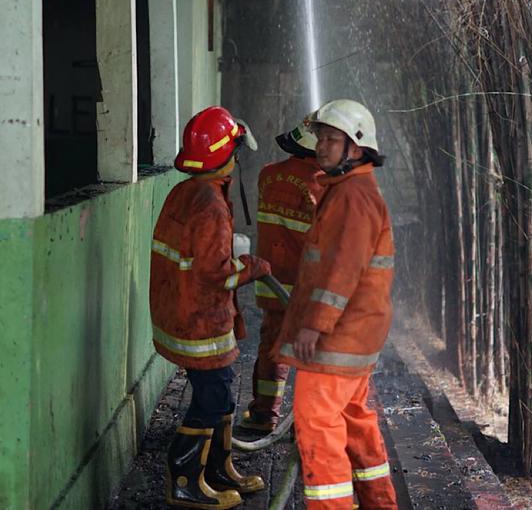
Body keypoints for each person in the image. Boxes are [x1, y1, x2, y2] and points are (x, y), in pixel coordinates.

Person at [277, 99, 398, 508]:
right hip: (356, 334)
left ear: (357, 148)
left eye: (332, 140)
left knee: (317, 425)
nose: (322, 147)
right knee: (354, 421)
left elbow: (342, 271)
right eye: (322, 139)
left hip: (337, 339)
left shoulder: (352, 197)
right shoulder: (349, 190)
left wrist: (314, 325)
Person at [150, 106, 272, 509]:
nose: (238, 159)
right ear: (225, 155)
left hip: (179, 315)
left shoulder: (185, 192)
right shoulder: (211, 205)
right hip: (199, 322)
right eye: (236, 151)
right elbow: (215, 274)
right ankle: (185, 480)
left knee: (221, 393)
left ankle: (218, 469)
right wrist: (251, 266)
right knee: (213, 399)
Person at [239, 114, 324, 432]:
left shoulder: (267, 175)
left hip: (271, 285)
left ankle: (264, 415)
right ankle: (308, 425)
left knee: (273, 348)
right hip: (307, 289)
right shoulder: (323, 186)